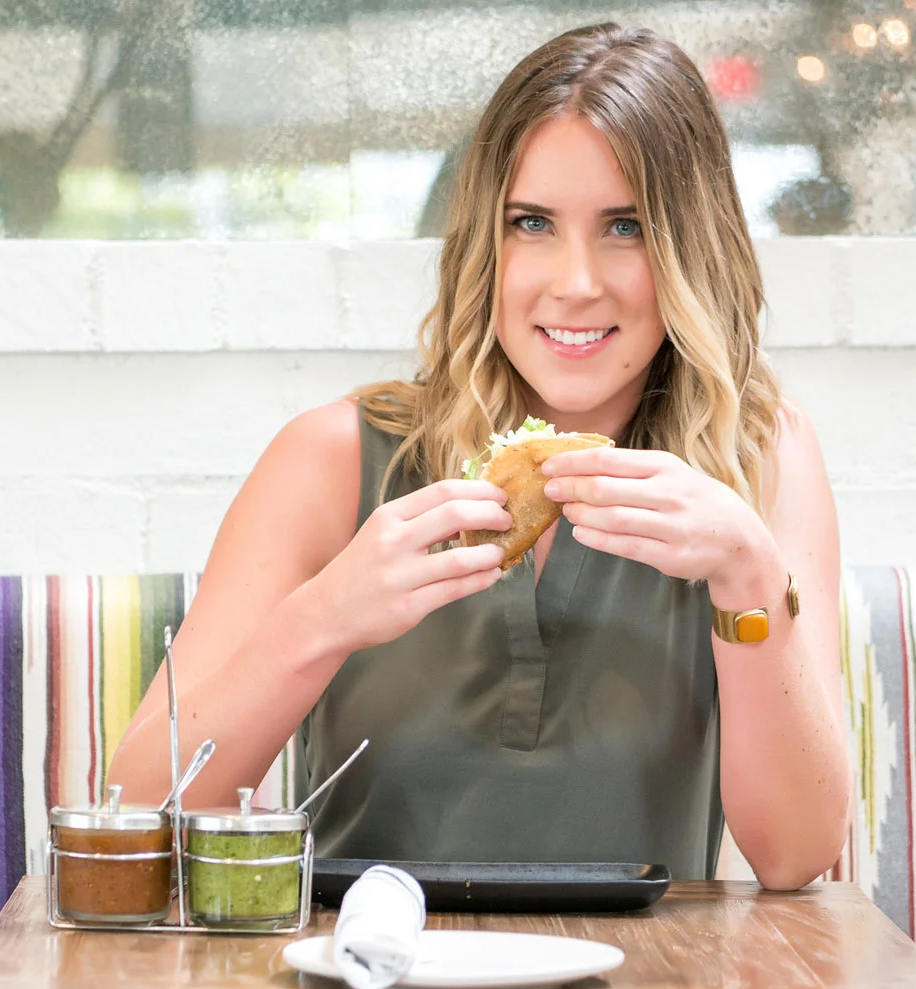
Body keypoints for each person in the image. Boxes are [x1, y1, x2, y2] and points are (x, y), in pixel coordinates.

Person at [108, 21, 850, 891]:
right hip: (365, 958)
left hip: (645, 964)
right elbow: (141, 808)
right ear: (481, 243)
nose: (576, 283)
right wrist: (322, 622)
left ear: (694, 246)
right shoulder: (334, 457)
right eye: (531, 223)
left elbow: (797, 855)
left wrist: (749, 574)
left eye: (626, 226)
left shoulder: (759, 461)